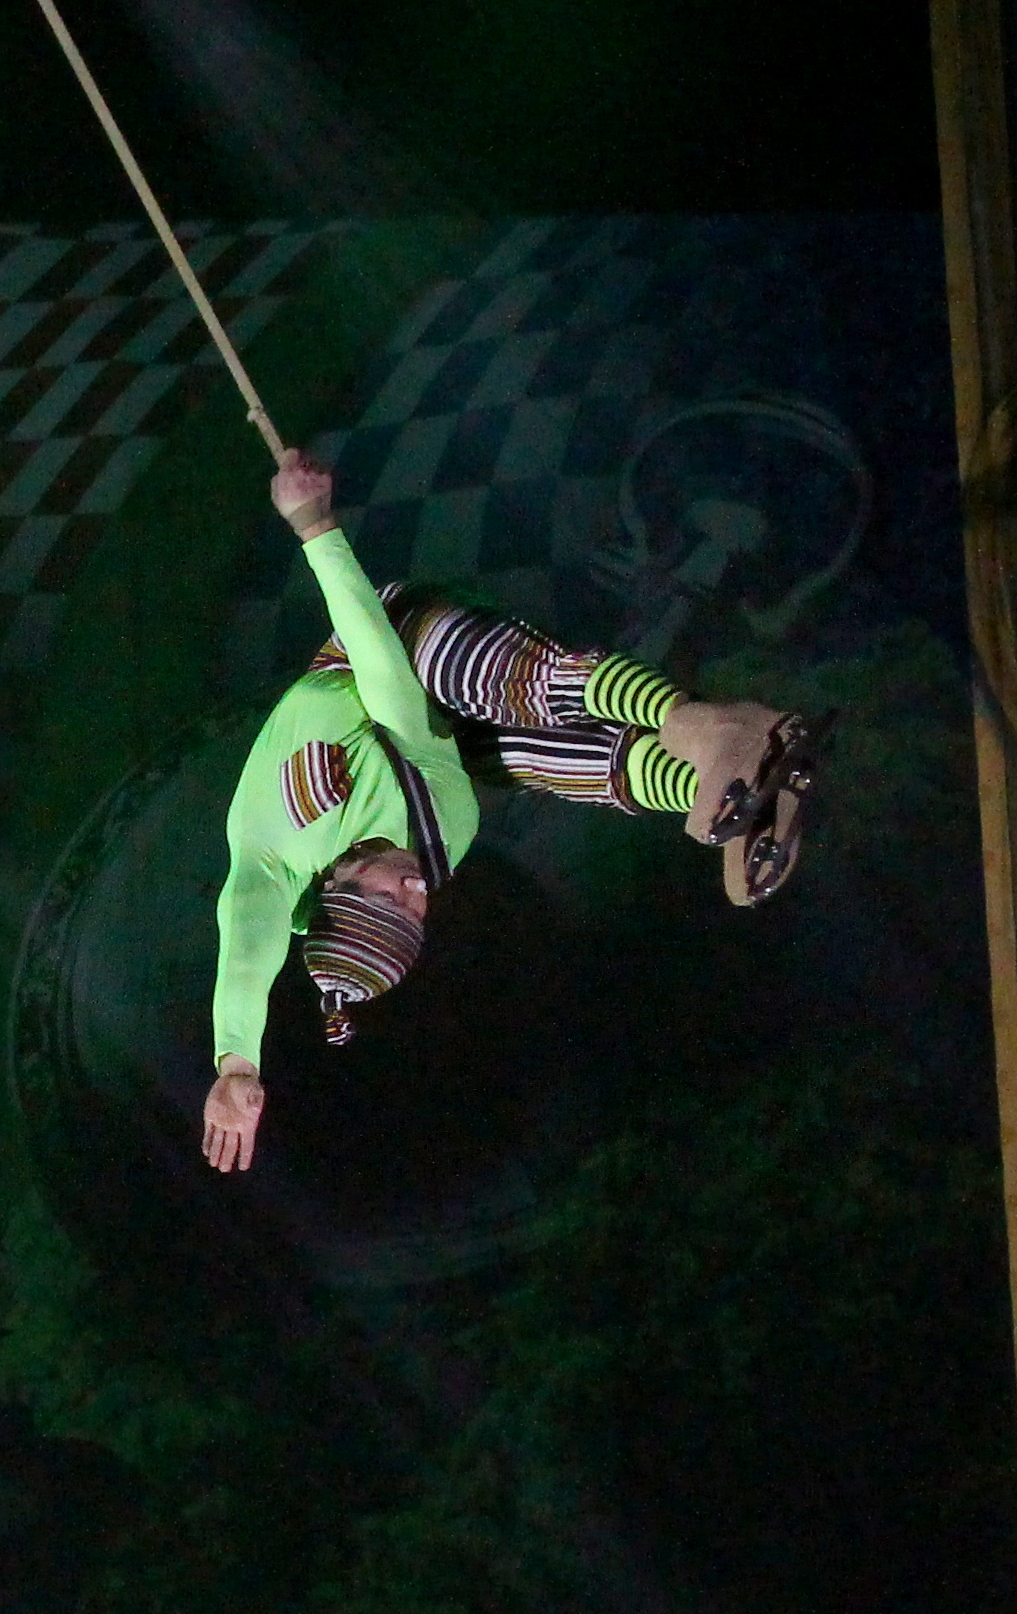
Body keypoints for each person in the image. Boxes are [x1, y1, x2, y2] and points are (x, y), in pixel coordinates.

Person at [199, 451, 820, 1175]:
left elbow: (246, 948)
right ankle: (719, 787)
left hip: (384, 647)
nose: (417, 890)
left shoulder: (271, 843)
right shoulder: (443, 838)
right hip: (433, 751)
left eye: (391, 898)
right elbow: (496, 769)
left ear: (339, 881)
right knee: (563, 764)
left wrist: (314, 527)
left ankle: (704, 726)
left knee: (510, 681)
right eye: (417, 914)